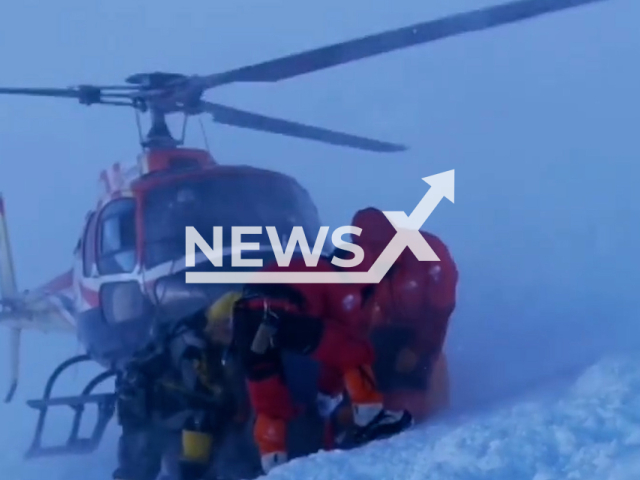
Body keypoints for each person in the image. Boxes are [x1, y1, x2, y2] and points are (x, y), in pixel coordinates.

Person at [210, 257, 414, 474]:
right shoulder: (340, 279)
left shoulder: (308, 267)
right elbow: (344, 344)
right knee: (355, 349)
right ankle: (371, 417)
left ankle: (273, 464)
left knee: (268, 402)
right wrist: (328, 393)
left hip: (245, 321)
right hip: (279, 314)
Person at [112, 306, 257, 480]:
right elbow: (200, 391)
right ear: (215, 322)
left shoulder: (204, 336)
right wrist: (227, 402)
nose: (231, 332)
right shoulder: (192, 343)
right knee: (140, 467)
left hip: (165, 408)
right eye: (227, 325)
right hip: (145, 408)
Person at [349, 207, 458, 422]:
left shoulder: (429, 252)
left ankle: (420, 420)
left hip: (427, 333)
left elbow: (440, 311)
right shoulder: (363, 263)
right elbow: (360, 310)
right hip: (390, 327)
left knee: (414, 371)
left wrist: (418, 348)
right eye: (367, 249)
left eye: (378, 247)